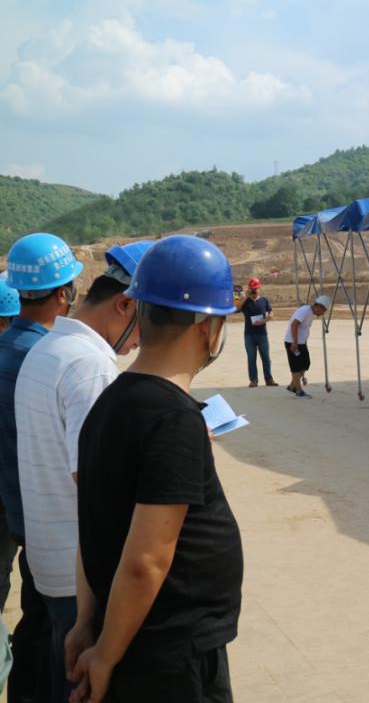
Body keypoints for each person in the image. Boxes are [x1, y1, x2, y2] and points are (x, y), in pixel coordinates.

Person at [69, 234, 243, 703]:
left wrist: (87, 622)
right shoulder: (174, 418)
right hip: (169, 653)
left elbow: (90, 527)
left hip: (127, 634)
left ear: (140, 311)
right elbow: (147, 561)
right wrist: (105, 655)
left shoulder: (109, 401)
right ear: (209, 327)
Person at [15, 241, 152, 703]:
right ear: (124, 304)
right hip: (82, 574)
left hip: (50, 558)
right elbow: (95, 481)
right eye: (147, 322)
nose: (141, 341)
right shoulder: (91, 366)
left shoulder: (48, 348)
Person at [0, 232, 83, 703]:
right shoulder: (47, 357)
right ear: (64, 294)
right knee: (55, 631)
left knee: (33, 624)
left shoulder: (7, 348)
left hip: (16, 512)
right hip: (45, 521)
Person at [284, 295, 331, 399]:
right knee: (296, 367)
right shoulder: (305, 311)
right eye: (323, 311)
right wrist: (294, 342)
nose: (323, 313)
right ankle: (299, 391)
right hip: (293, 342)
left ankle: (292, 386)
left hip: (301, 342)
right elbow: (294, 325)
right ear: (319, 306)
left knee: (305, 364)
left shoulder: (309, 312)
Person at [240, 278, 277, 388]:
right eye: (251, 289)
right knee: (251, 359)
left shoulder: (264, 300)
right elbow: (236, 308)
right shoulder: (246, 302)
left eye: (255, 289)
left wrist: (264, 321)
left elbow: (271, 313)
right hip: (249, 335)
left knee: (266, 358)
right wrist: (245, 297)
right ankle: (253, 380)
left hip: (262, 334)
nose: (253, 291)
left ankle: (269, 379)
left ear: (259, 288)